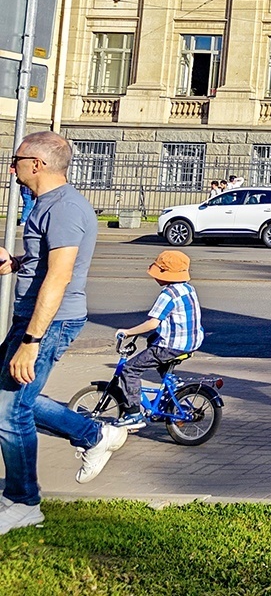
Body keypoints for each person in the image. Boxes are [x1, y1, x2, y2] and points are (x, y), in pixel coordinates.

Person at [0, 132, 126, 536]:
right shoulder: (46, 204)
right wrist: (17, 262)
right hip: (36, 317)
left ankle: (24, 501)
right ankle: (95, 433)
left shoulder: (65, 207)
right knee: (10, 402)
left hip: (49, 323)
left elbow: (61, 274)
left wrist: (31, 342)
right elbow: (44, 263)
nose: (11, 166)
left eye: (16, 158)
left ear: (37, 164)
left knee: (9, 410)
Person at [112, 250, 205, 430]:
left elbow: (152, 323)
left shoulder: (168, 294)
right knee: (152, 342)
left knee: (130, 369)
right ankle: (170, 381)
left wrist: (128, 333)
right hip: (191, 341)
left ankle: (133, 414)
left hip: (172, 345)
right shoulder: (188, 289)